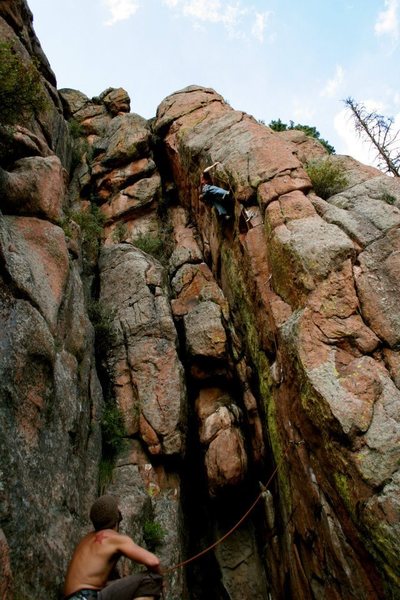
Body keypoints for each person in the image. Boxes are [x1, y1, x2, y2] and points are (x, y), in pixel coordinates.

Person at [64, 495, 163, 600]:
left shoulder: (85, 540)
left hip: (74, 597)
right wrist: (160, 578)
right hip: (88, 596)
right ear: (118, 517)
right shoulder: (115, 538)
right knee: (152, 580)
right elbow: (153, 561)